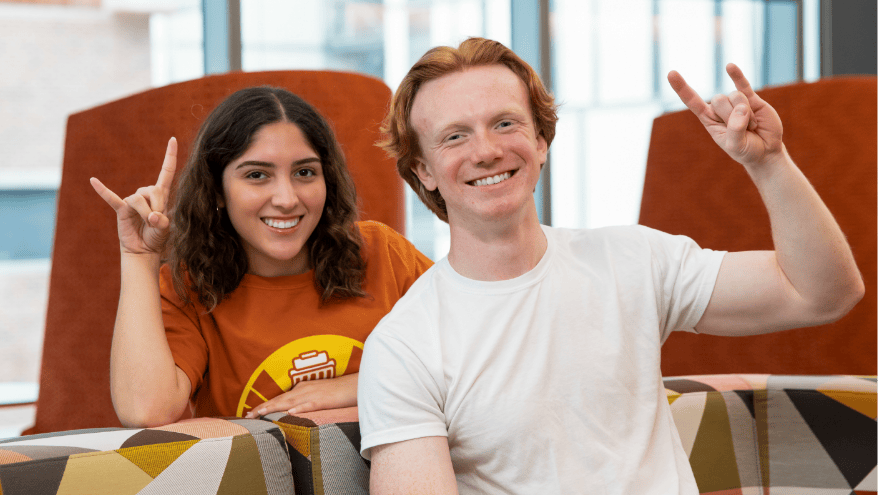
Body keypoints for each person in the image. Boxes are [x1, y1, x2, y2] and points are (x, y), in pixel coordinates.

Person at [357, 37, 864, 494]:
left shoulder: (632, 260)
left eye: (505, 123)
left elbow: (822, 293)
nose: (487, 150)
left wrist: (768, 161)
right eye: (455, 136)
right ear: (423, 171)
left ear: (540, 141)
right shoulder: (404, 347)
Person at [91, 86, 432, 427]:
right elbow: (145, 410)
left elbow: (477, 351)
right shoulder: (188, 287)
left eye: (304, 172)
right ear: (217, 191)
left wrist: (358, 385)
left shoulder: (383, 254)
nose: (286, 198)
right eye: (257, 175)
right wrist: (139, 256)